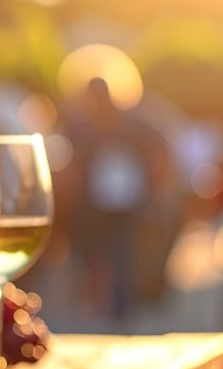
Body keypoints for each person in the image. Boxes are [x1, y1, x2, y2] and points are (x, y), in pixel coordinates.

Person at [65, 77, 171, 318]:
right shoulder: (95, 125)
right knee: (108, 251)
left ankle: (117, 304)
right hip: (102, 202)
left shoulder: (103, 125)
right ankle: (108, 303)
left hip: (124, 201)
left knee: (118, 251)